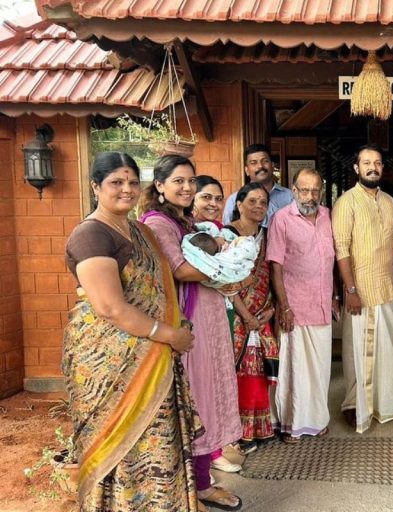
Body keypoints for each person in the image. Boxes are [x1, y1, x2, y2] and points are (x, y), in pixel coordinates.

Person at [63, 152, 198, 511]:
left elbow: (160, 289)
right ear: (95, 187)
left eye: (133, 182)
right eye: (116, 182)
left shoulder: (142, 231)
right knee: (123, 448)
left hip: (153, 357)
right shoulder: (90, 235)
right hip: (110, 368)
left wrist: (176, 326)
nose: (127, 189)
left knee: (158, 444)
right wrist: (171, 335)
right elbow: (111, 308)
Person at [139, 156, 243, 511]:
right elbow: (181, 270)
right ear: (160, 185)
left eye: (190, 181)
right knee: (196, 398)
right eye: (178, 181)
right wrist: (229, 270)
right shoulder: (158, 222)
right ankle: (190, 489)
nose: (187, 187)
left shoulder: (184, 221)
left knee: (207, 395)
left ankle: (201, 483)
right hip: (188, 318)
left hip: (207, 315)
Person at [332, 144, 393, 434]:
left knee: (389, 349)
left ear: (382, 168)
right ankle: (355, 404)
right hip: (360, 290)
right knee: (359, 352)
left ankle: (385, 403)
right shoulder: (346, 202)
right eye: (366, 163)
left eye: (377, 163)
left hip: (388, 287)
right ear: (356, 168)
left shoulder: (389, 201)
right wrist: (350, 290)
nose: (372, 167)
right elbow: (341, 249)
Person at [268, 168, 339, 443]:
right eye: (304, 190)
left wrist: (335, 296)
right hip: (295, 307)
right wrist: (284, 306)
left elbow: (331, 262)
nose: (310, 196)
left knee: (320, 370)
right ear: (294, 190)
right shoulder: (281, 219)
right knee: (295, 370)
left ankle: (316, 420)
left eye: (315, 190)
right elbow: (276, 266)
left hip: (321, 305)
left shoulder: (328, 216)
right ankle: (291, 424)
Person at [190, 175, 246, 475]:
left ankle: (216, 449)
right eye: (206, 197)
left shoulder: (223, 231)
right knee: (202, 384)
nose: (212, 203)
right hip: (196, 312)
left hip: (222, 310)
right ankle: (204, 455)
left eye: (217, 198)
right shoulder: (188, 233)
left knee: (219, 378)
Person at [225, 183, 279, 453]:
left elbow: (274, 275)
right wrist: (246, 316)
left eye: (263, 202)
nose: (258, 206)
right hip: (236, 315)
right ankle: (238, 432)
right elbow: (224, 279)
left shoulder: (268, 236)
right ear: (239, 204)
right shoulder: (227, 234)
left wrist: (271, 310)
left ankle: (261, 428)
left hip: (262, 314)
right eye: (252, 201)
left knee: (259, 373)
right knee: (239, 375)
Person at [222, 143, 293, 225]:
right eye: (253, 163)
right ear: (247, 170)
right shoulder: (234, 200)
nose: (260, 166)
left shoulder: (290, 197)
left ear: (272, 166)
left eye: (265, 161)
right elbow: (227, 230)